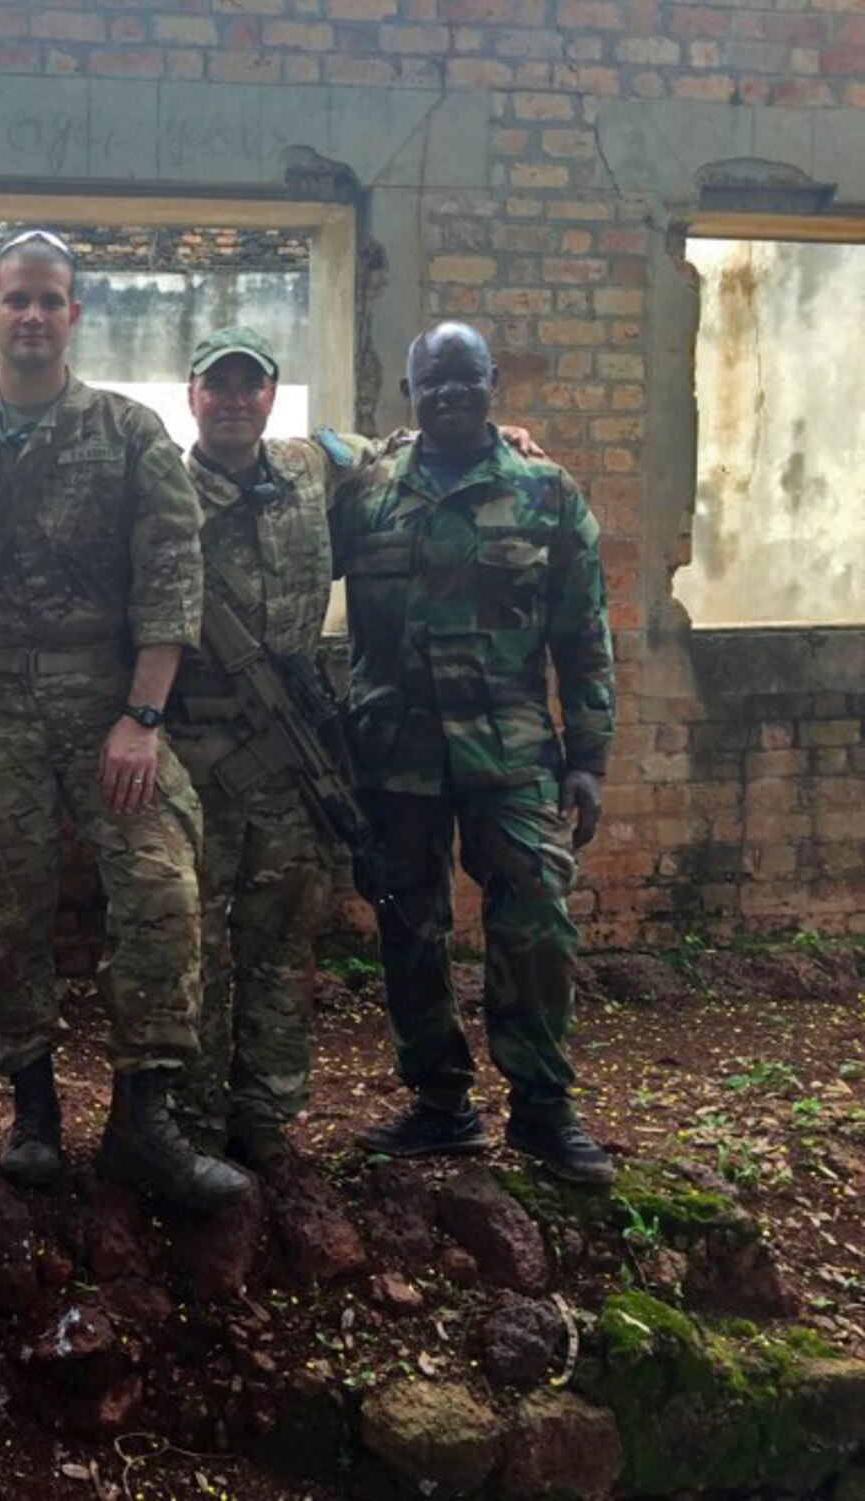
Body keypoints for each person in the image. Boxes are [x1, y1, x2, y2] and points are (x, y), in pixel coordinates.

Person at [0, 231, 249, 1211]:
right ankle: (31, 1105)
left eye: (49, 301)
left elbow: (173, 573)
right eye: (15, 301)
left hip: (107, 699)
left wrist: (141, 713)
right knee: (3, 903)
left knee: (161, 885)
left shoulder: (126, 433)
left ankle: (142, 1114)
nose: (31, 317)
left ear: (72, 315)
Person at [172, 327, 543, 1174]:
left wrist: (504, 436)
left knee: (279, 939)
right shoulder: (157, 485)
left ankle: (264, 1116)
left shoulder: (315, 468)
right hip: (196, 750)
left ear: (271, 395)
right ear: (191, 394)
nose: (234, 400)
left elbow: (412, 442)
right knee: (192, 944)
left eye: (250, 385)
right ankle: (191, 1122)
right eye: (216, 385)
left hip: (296, 753)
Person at [330, 320, 616, 1186]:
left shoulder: (547, 492)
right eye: (433, 382)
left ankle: (541, 1110)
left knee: (536, 923)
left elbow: (585, 634)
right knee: (408, 927)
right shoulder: (366, 492)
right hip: (396, 755)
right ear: (408, 396)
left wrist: (590, 756)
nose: (452, 393)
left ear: (494, 381)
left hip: (513, 753)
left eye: (467, 378)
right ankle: (439, 1105)